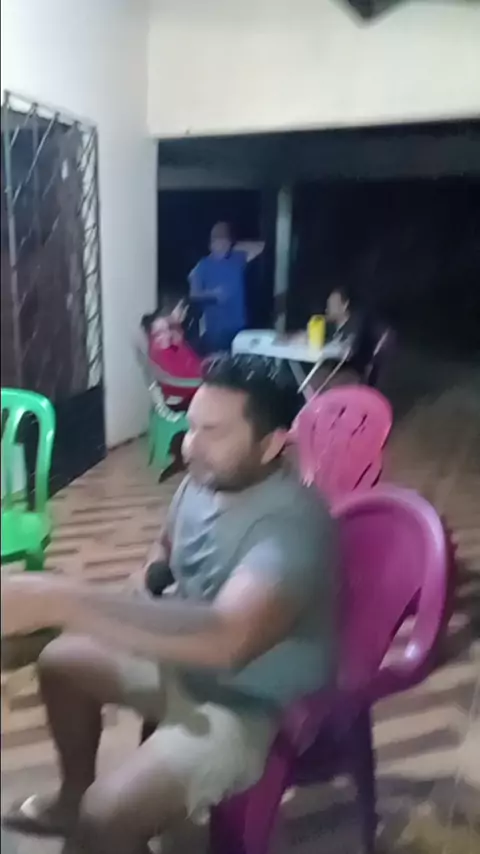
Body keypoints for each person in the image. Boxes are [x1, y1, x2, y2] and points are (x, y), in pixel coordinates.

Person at [2, 355, 337, 854]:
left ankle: (91, 816)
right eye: (191, 424)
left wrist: (61, 599)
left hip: (250, 704)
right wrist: (145, 581)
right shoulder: (203, 480)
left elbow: (228, 637)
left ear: (271, 445)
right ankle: (72, 796)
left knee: (107, 817)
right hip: (185, 663)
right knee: (60, 660)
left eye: (213, 432)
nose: (189, 445)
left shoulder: (292, 527)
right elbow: (164, 550)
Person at [189, 222, 265, 354]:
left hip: (239, 327)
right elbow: (193, 294)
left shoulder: (238, 258)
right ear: (211, 244)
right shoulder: (202, 266)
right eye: (218, 241)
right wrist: (212, 294)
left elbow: (261, 246)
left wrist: (235, 245)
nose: (221, 245)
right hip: (216, 331)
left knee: (240, 363)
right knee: (219, 363)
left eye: (225, 241)